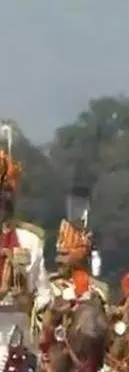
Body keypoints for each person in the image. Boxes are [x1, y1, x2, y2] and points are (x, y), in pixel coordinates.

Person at [0, 127, 49, 353]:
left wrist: (27, 299)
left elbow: (43, 295)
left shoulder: (30, 241)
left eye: (5, 194)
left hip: (17, 336)